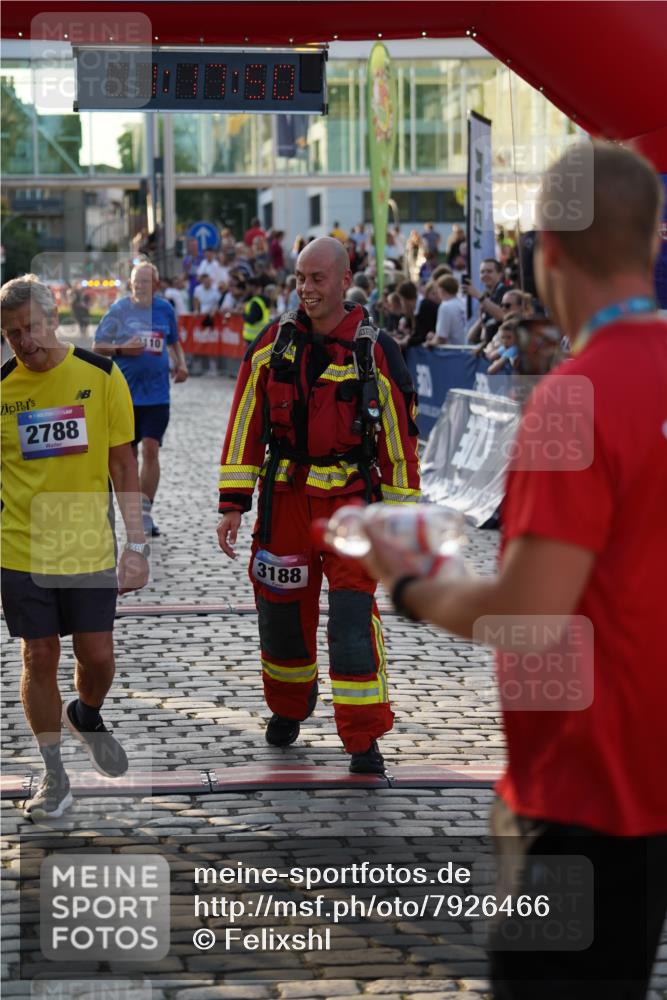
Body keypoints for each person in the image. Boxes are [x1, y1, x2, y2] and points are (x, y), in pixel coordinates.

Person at [356, 141, 667, 999]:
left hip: (585, 785)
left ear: (548, 251)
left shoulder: (574, 397)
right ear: (651, 239)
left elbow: (530, 608)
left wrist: (411, 582)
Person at [217, 237, 420, 774]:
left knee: (352, 623)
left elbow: (399, 441)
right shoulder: (273, 344)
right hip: (285, 502)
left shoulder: (374, 350)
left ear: (344, 278)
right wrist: (233, 503)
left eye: (317, 278)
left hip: (352, 505)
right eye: (300, 278)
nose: (306, 288)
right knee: (281, 618)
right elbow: (245, 422)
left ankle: (363, 738)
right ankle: (288, 709)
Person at [0, 275, 149, 820]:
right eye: (13, 333)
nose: (26, 341)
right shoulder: (2, 390)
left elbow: (122, 463)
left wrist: (136, 543)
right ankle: (54, 774)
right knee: (39, 655)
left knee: (98, 658)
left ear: (54, 316)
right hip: (21, 549)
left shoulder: (101, 376)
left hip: (87, 546)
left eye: (33, 328)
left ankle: (86, 712)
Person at [93, 262, 188, 537]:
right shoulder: (120, 310)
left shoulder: (164, 310)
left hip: (158, 395)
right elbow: (98, 347)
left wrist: (181, 363)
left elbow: (173, 341)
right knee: (128, 458)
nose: (139, 287)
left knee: (151, 449)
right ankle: (132, 511)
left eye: (145, 282)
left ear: (155, 285)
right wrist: (123, 349)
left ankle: (145, 512)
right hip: (125, 396)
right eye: (136, 283)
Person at [464, 258, 508, 346]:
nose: (485, 275)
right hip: (488, 347)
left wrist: (477, 295)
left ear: (500, 274)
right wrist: (482, 319)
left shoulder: (506, 292)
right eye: (482, 272)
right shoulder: (487, 296)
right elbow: (470, 338)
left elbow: (502, 315)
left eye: (489, 271)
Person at [241, 275, 271, 344]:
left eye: (247, 286)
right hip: (259, 338)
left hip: (254, 340)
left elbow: (251, 320)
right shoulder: (261, 300)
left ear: (253, 287)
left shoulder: (256, 302)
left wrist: (243, 313)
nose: (246, 288)